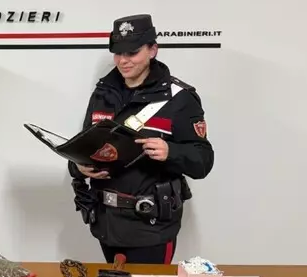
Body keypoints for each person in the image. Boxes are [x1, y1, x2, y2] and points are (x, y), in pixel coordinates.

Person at [68, 14, 214, 264]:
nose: (123, 61)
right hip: (106, 224)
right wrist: (78, 166)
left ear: (152, 50)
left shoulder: (179, 98)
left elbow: (203, 161)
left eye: (132, 52)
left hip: (151, 227)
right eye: (118, 53)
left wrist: (171, 152)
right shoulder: (103, 93)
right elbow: (85, 146)